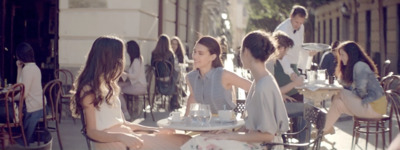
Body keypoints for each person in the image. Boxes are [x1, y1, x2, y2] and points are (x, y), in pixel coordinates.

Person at [70, 36, 190, 150]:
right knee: (182, 144)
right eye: (120, 56)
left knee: (183, 139)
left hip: (126, 137)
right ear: (109, 58)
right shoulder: (89, 90)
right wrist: (121, 137)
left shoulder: (109, 85)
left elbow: (124, 123)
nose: (122, 61)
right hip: (113, 143)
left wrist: (154, 130)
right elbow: (91, 131)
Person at [181, 30, 289, 150]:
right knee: (202, 140)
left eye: (240, 51)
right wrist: (227, 133)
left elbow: (268, 135)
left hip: (266, 147)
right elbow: (253, 127)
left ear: (246, 52)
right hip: (259, 143)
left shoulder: (263, 85)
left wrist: (231, 136)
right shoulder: (260, 81)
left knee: (197, 143)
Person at [323, 41, 387, 135]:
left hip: (374, 108)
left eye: (342, 55)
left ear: (350, 54)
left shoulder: (360, 66)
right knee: (338, 103)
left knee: (339, 92)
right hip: (371, 106)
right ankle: (325, 129)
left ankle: (324, 129)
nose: (340, 58)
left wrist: (348, 91)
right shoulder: (355, 66)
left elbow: (361, 93)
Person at [184, 36, 251, 115]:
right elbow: (193, 97)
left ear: (213, 57)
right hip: (204, 123)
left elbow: (253, 87)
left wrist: (248, 114)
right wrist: (185, 121)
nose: (195, 56)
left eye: (200, 53)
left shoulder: (224, 75)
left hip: (227, 124)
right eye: (194, 52)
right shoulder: (190, 77)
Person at [266, 31, 308, 145]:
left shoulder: (280, 59)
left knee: (305, 104)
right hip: (275, 105)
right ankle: (301, 145)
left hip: (282, 98)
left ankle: (297, 142)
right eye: (287, 49)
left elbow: (289, 71)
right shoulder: (269, 63)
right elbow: (272, 91)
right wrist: (292, 86)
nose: (287, 52)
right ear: (281, 48)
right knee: (306, 111)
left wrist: (294, 77)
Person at [14, 42, 44, 145]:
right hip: (40, 105)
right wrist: (19, 68)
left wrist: (11, 99)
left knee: (8, 110)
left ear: (20, 56)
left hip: (32, 108)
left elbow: (23, 94)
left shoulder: (27, 70)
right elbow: (19, 87)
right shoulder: (34, 67)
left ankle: (14, 137)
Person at [274, 5, 316, 77]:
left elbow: (299, 46)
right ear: (291, 16)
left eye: (301, 23)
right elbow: (279, 54)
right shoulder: (282, 30)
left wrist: (309, 54)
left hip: (294, 65)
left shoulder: (301, 27)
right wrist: (290, 72)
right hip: (280, 66)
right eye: (296, 22)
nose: (298, 25)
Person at [118, 40, 147, 120]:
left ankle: (125, 112)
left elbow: (134, 76)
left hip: (138, 87)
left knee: (117, 90)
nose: (126, 51)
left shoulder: (136, 61)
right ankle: (125, 110)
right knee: (118, 86)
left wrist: (123, 73)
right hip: (137, 84)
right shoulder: (138, 59)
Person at [151, 34, 181, 111]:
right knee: (177, 75)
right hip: (169, 79)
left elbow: (152, 66)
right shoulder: (170, 54)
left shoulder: (154, 53)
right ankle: (175, 100)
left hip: (157, 79)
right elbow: (173, 67)